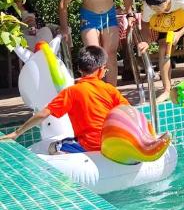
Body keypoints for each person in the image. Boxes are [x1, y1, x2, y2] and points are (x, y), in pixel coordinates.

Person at [1, 46, 140, 154]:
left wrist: (17, 133)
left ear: (79, 69)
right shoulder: (110, 89)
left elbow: (43, 114)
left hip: (88, 145)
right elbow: (130, 113)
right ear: (101, 69)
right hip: (111, 143)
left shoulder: (71, 92)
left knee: (52, 147)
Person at [58, 0, 135, 85]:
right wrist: (64, 28)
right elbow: (63, 3)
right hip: (89, 18)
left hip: (109, 16)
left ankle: (111, 91)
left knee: (110, 54)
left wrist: (130, 14)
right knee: (93, 55)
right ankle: (94, 90)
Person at [136, 0, 184, 103]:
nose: (156, 10)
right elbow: (145, 23)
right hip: (165, 23)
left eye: (159, 6)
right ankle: (166, 90)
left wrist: (179, 34)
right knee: (163, 49)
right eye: (153, 8)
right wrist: (146, 42)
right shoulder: (149, 5)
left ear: (167, 0)